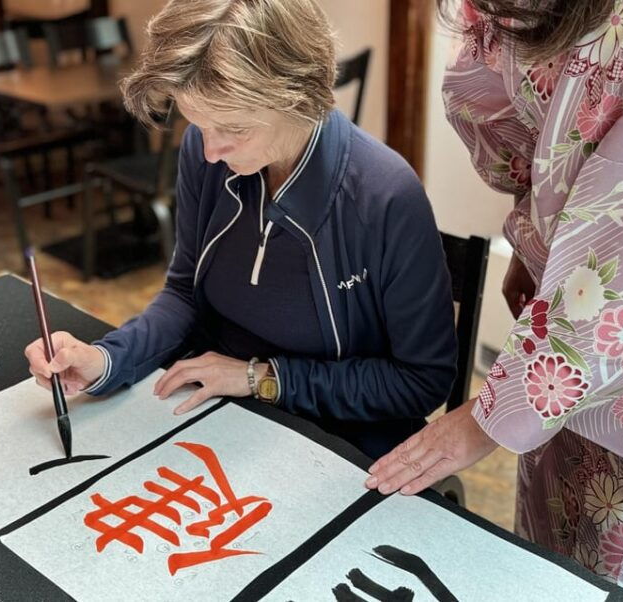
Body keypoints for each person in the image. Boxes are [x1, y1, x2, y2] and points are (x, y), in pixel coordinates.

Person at [367, 0, 623, 598]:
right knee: (538, 551)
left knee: (617, 568)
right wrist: (532, 241)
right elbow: (503, 122)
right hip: (556, 318)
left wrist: (487, 416)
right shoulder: (504, 11)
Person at [24, 0, 458, 459]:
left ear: (298, 98)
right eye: (198, 125)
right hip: (222, 413)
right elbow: (185, 293)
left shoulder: (385, 195)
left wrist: (261, 377)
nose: (210, 152)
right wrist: (109, 358)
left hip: (340, 435)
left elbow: (419, 382)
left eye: (233, 128)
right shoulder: (205, 149)